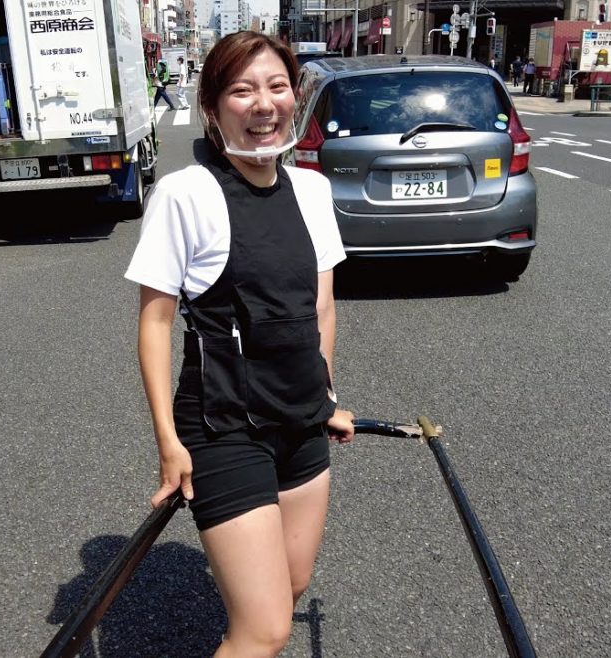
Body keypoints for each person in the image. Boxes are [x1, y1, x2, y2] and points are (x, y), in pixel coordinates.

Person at [124, 30, 356, 657]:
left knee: (293, 581)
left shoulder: (312, 190)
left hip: (301, 420)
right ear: (213, 106)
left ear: (294, 97)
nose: (263, 104)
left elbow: (320, 307)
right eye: (242, 90)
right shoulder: (186, 193)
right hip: (224, 427)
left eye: (277, 87)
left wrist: (324, 393)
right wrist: (168, 444)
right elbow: (155, 324)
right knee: (265, 629)